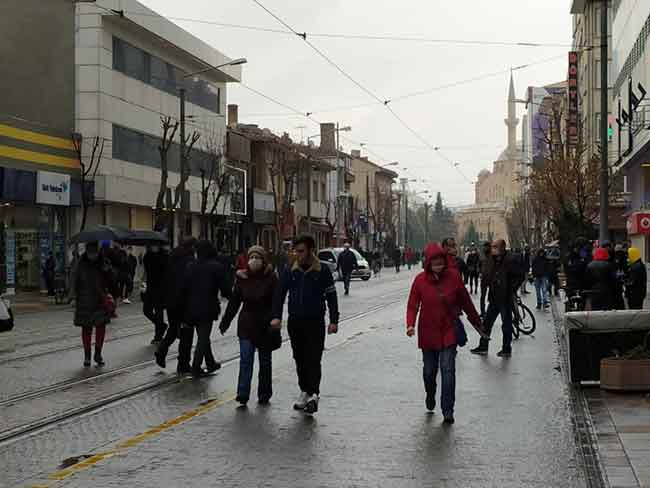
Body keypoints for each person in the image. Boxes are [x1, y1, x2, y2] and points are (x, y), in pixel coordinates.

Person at [406, 243, 483, 424]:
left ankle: (448, 409)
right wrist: (410, 324)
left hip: (448, 330)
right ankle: (430, 394)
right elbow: (412, 305)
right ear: (428, 264)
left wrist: (478, 323)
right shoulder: (420, 280)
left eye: (441, 263)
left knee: (448, 369)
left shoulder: (454, 277)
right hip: (427, 331)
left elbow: (466, 302)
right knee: (429, 371)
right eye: (435, 264)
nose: (439, 267)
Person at [271, 235, 339, 415]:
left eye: (301, 251)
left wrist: (334, 321)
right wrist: (276, 316)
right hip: (295, 321)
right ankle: (305, 391)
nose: (298, 254)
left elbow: (331, 296)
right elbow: (279, 294)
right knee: (299, 358)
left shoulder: (322, 270)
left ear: (310, 251)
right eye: (296, 251)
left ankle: (314, 393)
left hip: (315, 322)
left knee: (313, 358)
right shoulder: (290, 270)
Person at [220, 246, 280, 406]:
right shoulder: (242, 278)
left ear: (263, 260)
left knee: (265, 362)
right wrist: (226, 321)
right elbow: (234, 302)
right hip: (246, 325)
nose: (254, 260)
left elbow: (277, 302)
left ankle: (264, 393)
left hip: (265, 326)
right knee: (246, 360)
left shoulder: (271, 278)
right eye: (251, 257)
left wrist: (276, 318)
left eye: (257, 258)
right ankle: (242, 393)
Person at [182, 240, 232, 378]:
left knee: (203, 336)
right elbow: (225, 289)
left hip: (191, 307)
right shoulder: (216, 267)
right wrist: (233, 298)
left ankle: (210, 363)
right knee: (203, 338)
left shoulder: (190, 266)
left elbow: (184, 288)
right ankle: (196, 367)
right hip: (207, 307)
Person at [470, 239, 523, 358]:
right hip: (494, 297)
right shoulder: (492, 260)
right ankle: (483, 346)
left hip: (505, 297)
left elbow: (519, 276)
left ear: (502, 247)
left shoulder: (509, 260)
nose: (493, 249)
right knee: (487, 323)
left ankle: (506, 349)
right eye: (493, 246)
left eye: (495, 247)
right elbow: (489, 274)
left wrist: (511, 289)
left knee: (506, 324)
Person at [155, 237, 197, 374]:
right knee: (186, 333)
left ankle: (161, 350)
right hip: (184, 302)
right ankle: (183, 364)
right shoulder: (190, 261)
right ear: (192, 247)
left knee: (173, 329)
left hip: (171, 301)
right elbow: (189, 282)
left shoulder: (172, 258)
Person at [74, 242, 110, 367]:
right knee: (86, 328)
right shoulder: (80, 264)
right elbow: (75, 280)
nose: (92, 255)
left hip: (100, 300)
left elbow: (112, 281)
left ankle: (98, 353)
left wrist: (107, 271)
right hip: (85, 300)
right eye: (90, 252)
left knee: (100, 327)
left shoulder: (104, 263)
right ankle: (87, 356)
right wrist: (73, 296)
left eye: (94, 252)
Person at [143, 244, 169, 344]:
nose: (151, 247)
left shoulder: (165, 257)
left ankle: (158, 336)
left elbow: (166, 271)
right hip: (150, 288)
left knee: (159, 312)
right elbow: (147, 268)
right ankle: (162, 325)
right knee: (146, 311)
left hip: (161, 290)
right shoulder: (148, 256)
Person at [479, 241, 492, 316]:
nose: (485, 248)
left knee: (491, 296)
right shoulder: (482, 255)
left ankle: (490, 311)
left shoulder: (493, 255)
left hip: (491, 278)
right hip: (484, 278)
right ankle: (483, 312)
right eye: (484, 246)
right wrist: (480, 272)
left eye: (486, 246)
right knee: (482, 296)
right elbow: (480, 265)